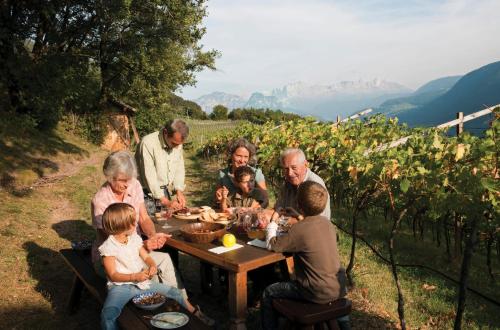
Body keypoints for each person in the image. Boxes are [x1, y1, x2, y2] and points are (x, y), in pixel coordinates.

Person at [98, 203, 214, 329]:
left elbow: (146, 257)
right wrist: (135, 276)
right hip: (120, 288)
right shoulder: (108, 247)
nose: (136, 223)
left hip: (141, 283)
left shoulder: (133, 238)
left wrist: (152, 266)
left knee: (174, 292)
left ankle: (194, 313)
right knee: (108, 314)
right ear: (122, 225)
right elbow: (113, 275)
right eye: (133, 222)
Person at [91, 151, 184, 297]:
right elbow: (109, 243)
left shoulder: (134, 184)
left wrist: (152, 237)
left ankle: (183, 302)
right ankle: (163, 307)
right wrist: (142, 248)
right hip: (114, 261)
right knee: (149, 273)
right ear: (109, 176)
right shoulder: (101, 201)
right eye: (122, 180)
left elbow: (144, 218)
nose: (127, 185)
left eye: (129, 179)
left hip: (136, 249)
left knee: (164, 260)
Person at [261, 181, 347, 330]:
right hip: (338, 287)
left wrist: (273, 222)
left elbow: (272, 245)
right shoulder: (327, 224)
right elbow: (312, 233)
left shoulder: (299, 229)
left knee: (268, 292)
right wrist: (299, 216)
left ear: (298, 203)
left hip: (313, 292)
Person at [135, 119, 189, 216]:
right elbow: (149, 177)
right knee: (150, 225)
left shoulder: (177, 143)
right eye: (174, 144)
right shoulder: (148, 143)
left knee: (167, 224)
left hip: (163, 191)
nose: (177, 147)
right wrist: (166, 202)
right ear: (165, 132)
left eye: (179, 144)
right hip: (145, 193)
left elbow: (179, 167)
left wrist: (179, 191)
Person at [272, 148, 331, 222]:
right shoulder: (288, 183)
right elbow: (278, 208)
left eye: (294, 168)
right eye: (286, 169)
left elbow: (317, 224)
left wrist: (288, 220)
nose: (290, 173)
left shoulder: (315, 185)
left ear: (305, 165)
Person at [215, 138, 267, 204]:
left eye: (246, 157)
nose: (242, 160)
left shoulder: (256, 173)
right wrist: (219, 196)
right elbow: (218, 200)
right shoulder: (222, 174)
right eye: (239, 156)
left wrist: (252, 210)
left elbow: (265, 199)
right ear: (231, 155)